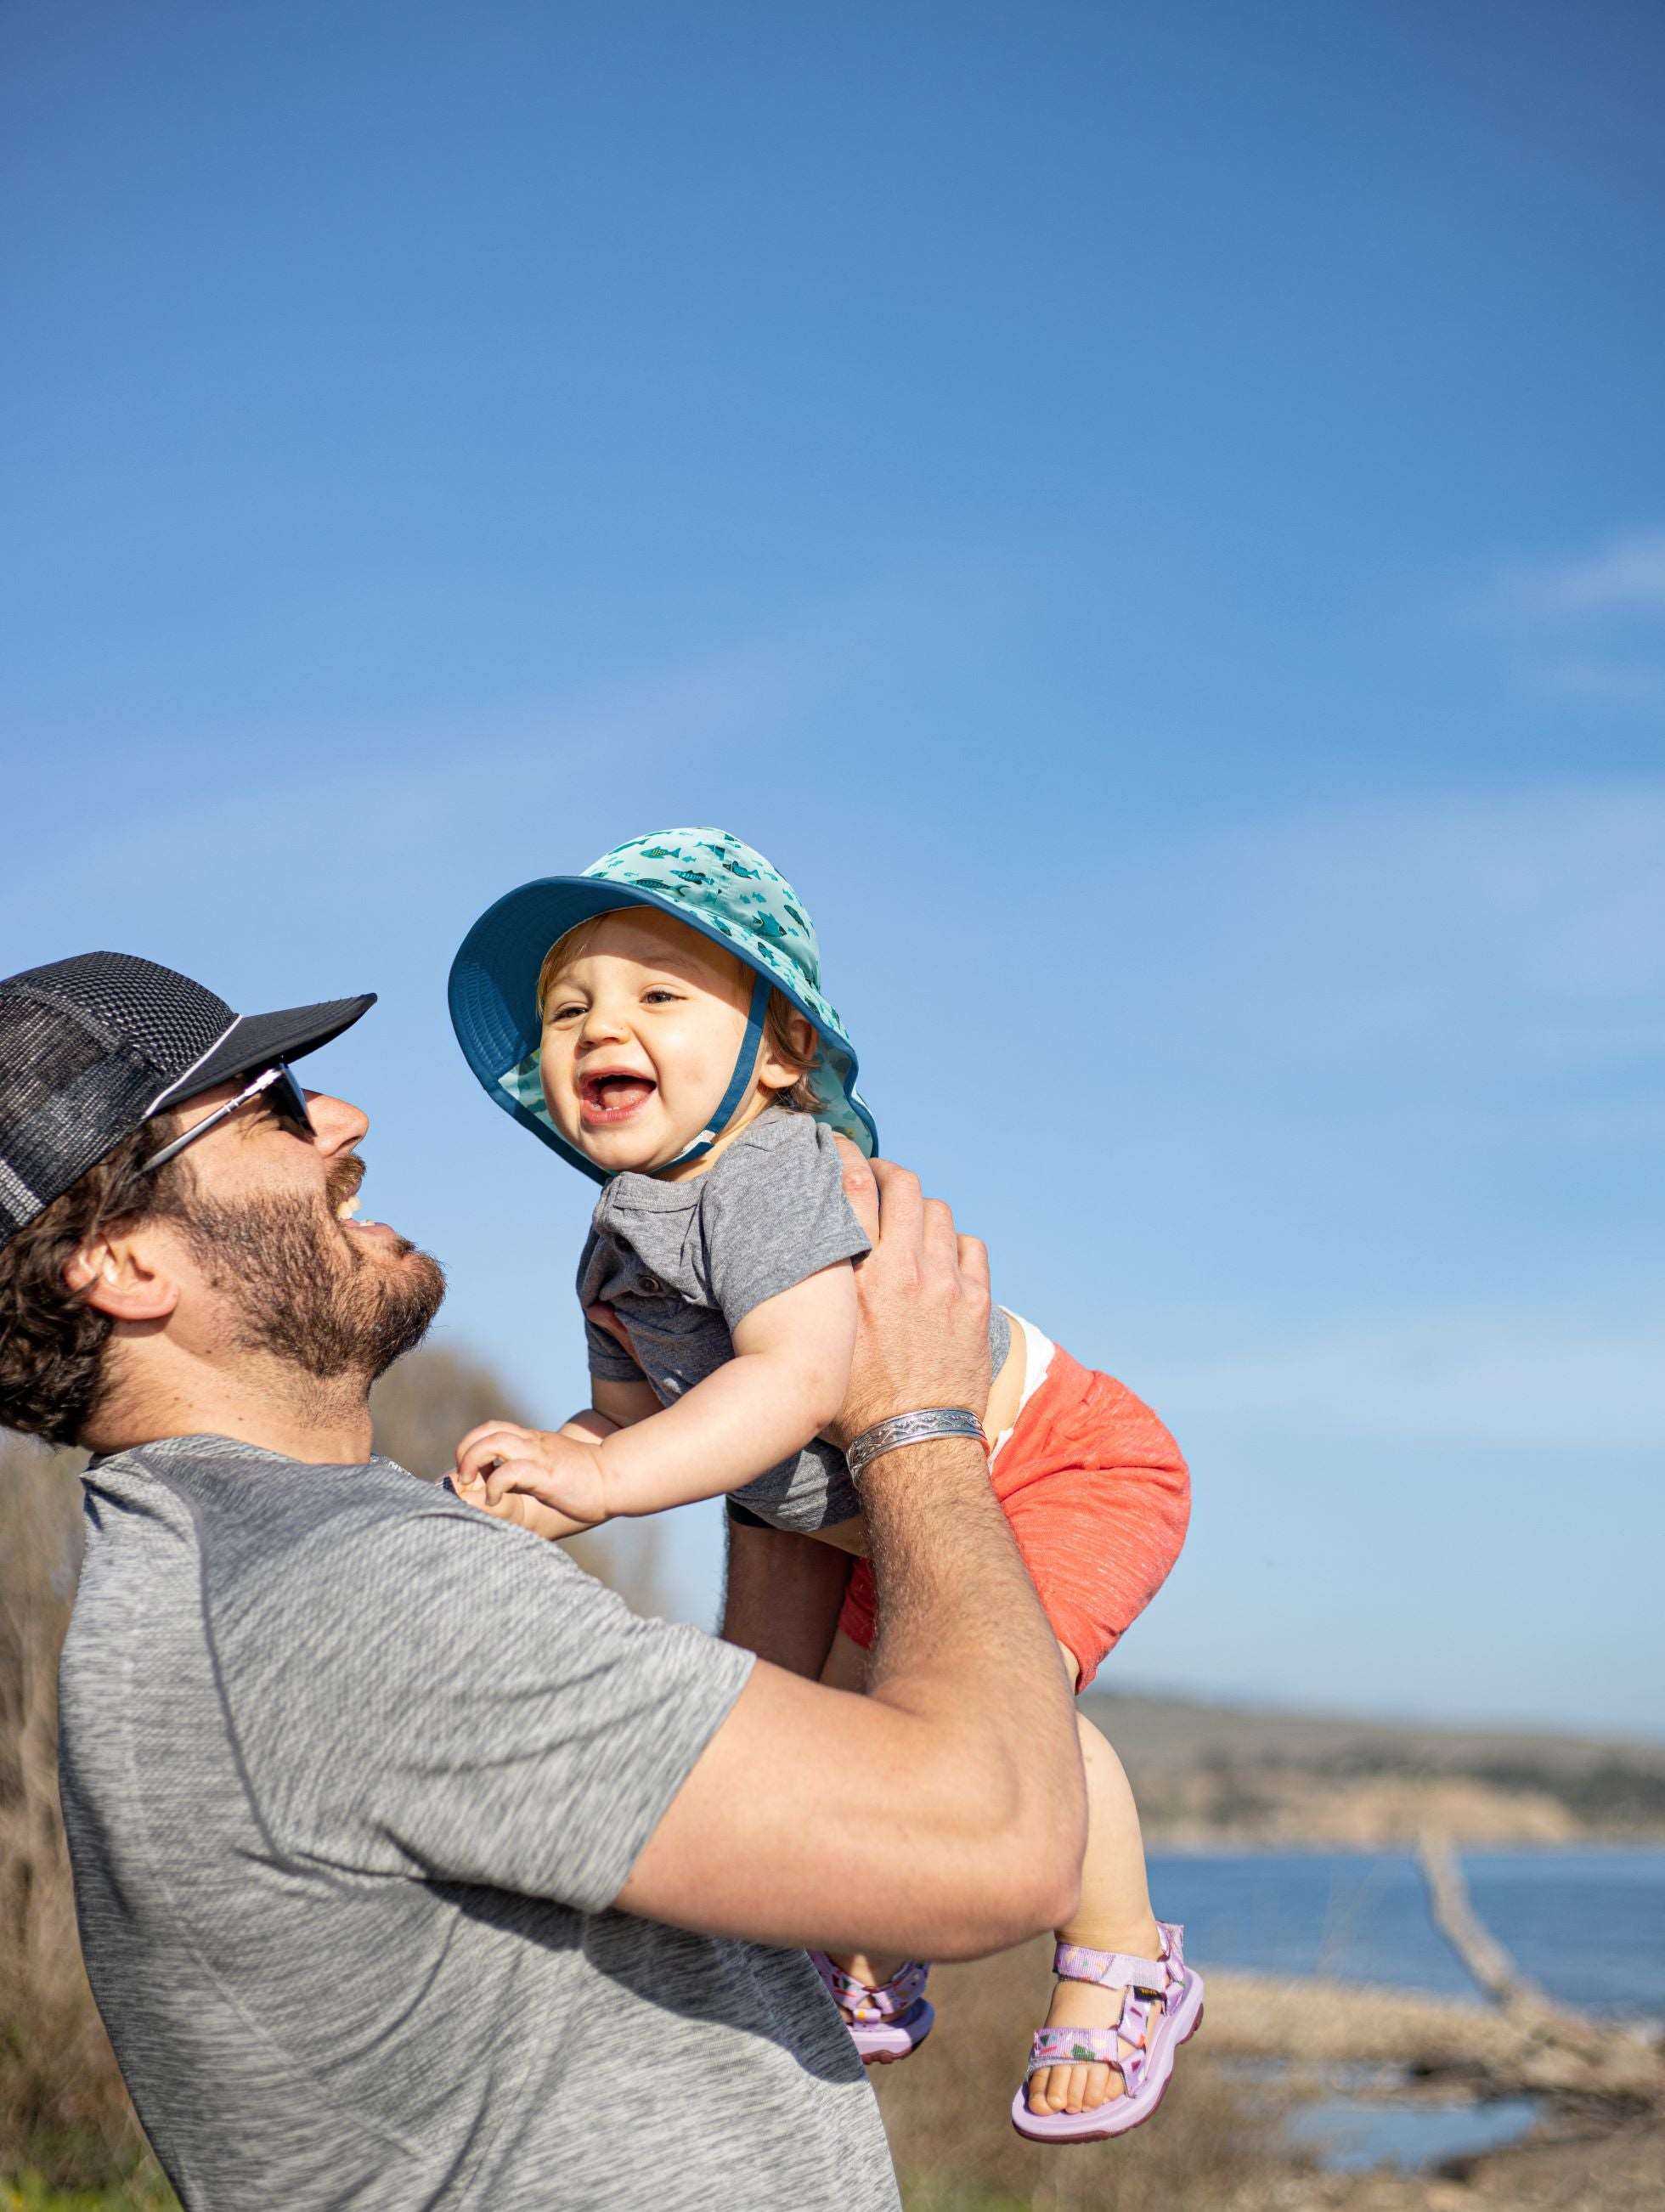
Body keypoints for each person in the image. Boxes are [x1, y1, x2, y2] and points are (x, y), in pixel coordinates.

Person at [0, 949, 1085, 2212]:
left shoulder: (235, 1572)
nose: (343, 1118)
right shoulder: (348, 1599)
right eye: (274, 1105)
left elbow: (754, 1794)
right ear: (126, 1262)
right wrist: (914, 1419)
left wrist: (750, 1393)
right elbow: (997, 1844)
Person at [446, 827, 1200, 2141]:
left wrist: (608, 1478)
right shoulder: (616, 1242)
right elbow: (633, 1423)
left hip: (1057, 1462)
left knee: (1007, 1708)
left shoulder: (772, 1170)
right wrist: (551, 1474)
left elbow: (795, 1381)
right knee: (870, 1743)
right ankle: (872, 1940)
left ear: (781, 1054)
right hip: (889, 1521)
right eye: (568, 1010)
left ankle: (1123, 1959)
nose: (600, 1027)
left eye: (658, 994)